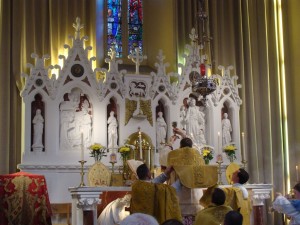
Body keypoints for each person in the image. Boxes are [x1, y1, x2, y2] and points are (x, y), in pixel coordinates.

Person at [167, 138, 217, 221]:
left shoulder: (174, 155)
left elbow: (163, 159)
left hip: (179, 195)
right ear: (191, 145)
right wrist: (184, 135)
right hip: (196, 196)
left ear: (180, 146)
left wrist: (169, 144)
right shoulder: (197, 154)